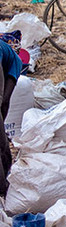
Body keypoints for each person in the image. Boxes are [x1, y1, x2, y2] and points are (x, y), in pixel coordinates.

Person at [0, 39, 23, 196]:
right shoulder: (14, 60)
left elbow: (4, 102)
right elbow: (4, 103)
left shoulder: (14, 64)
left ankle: (2, 190)